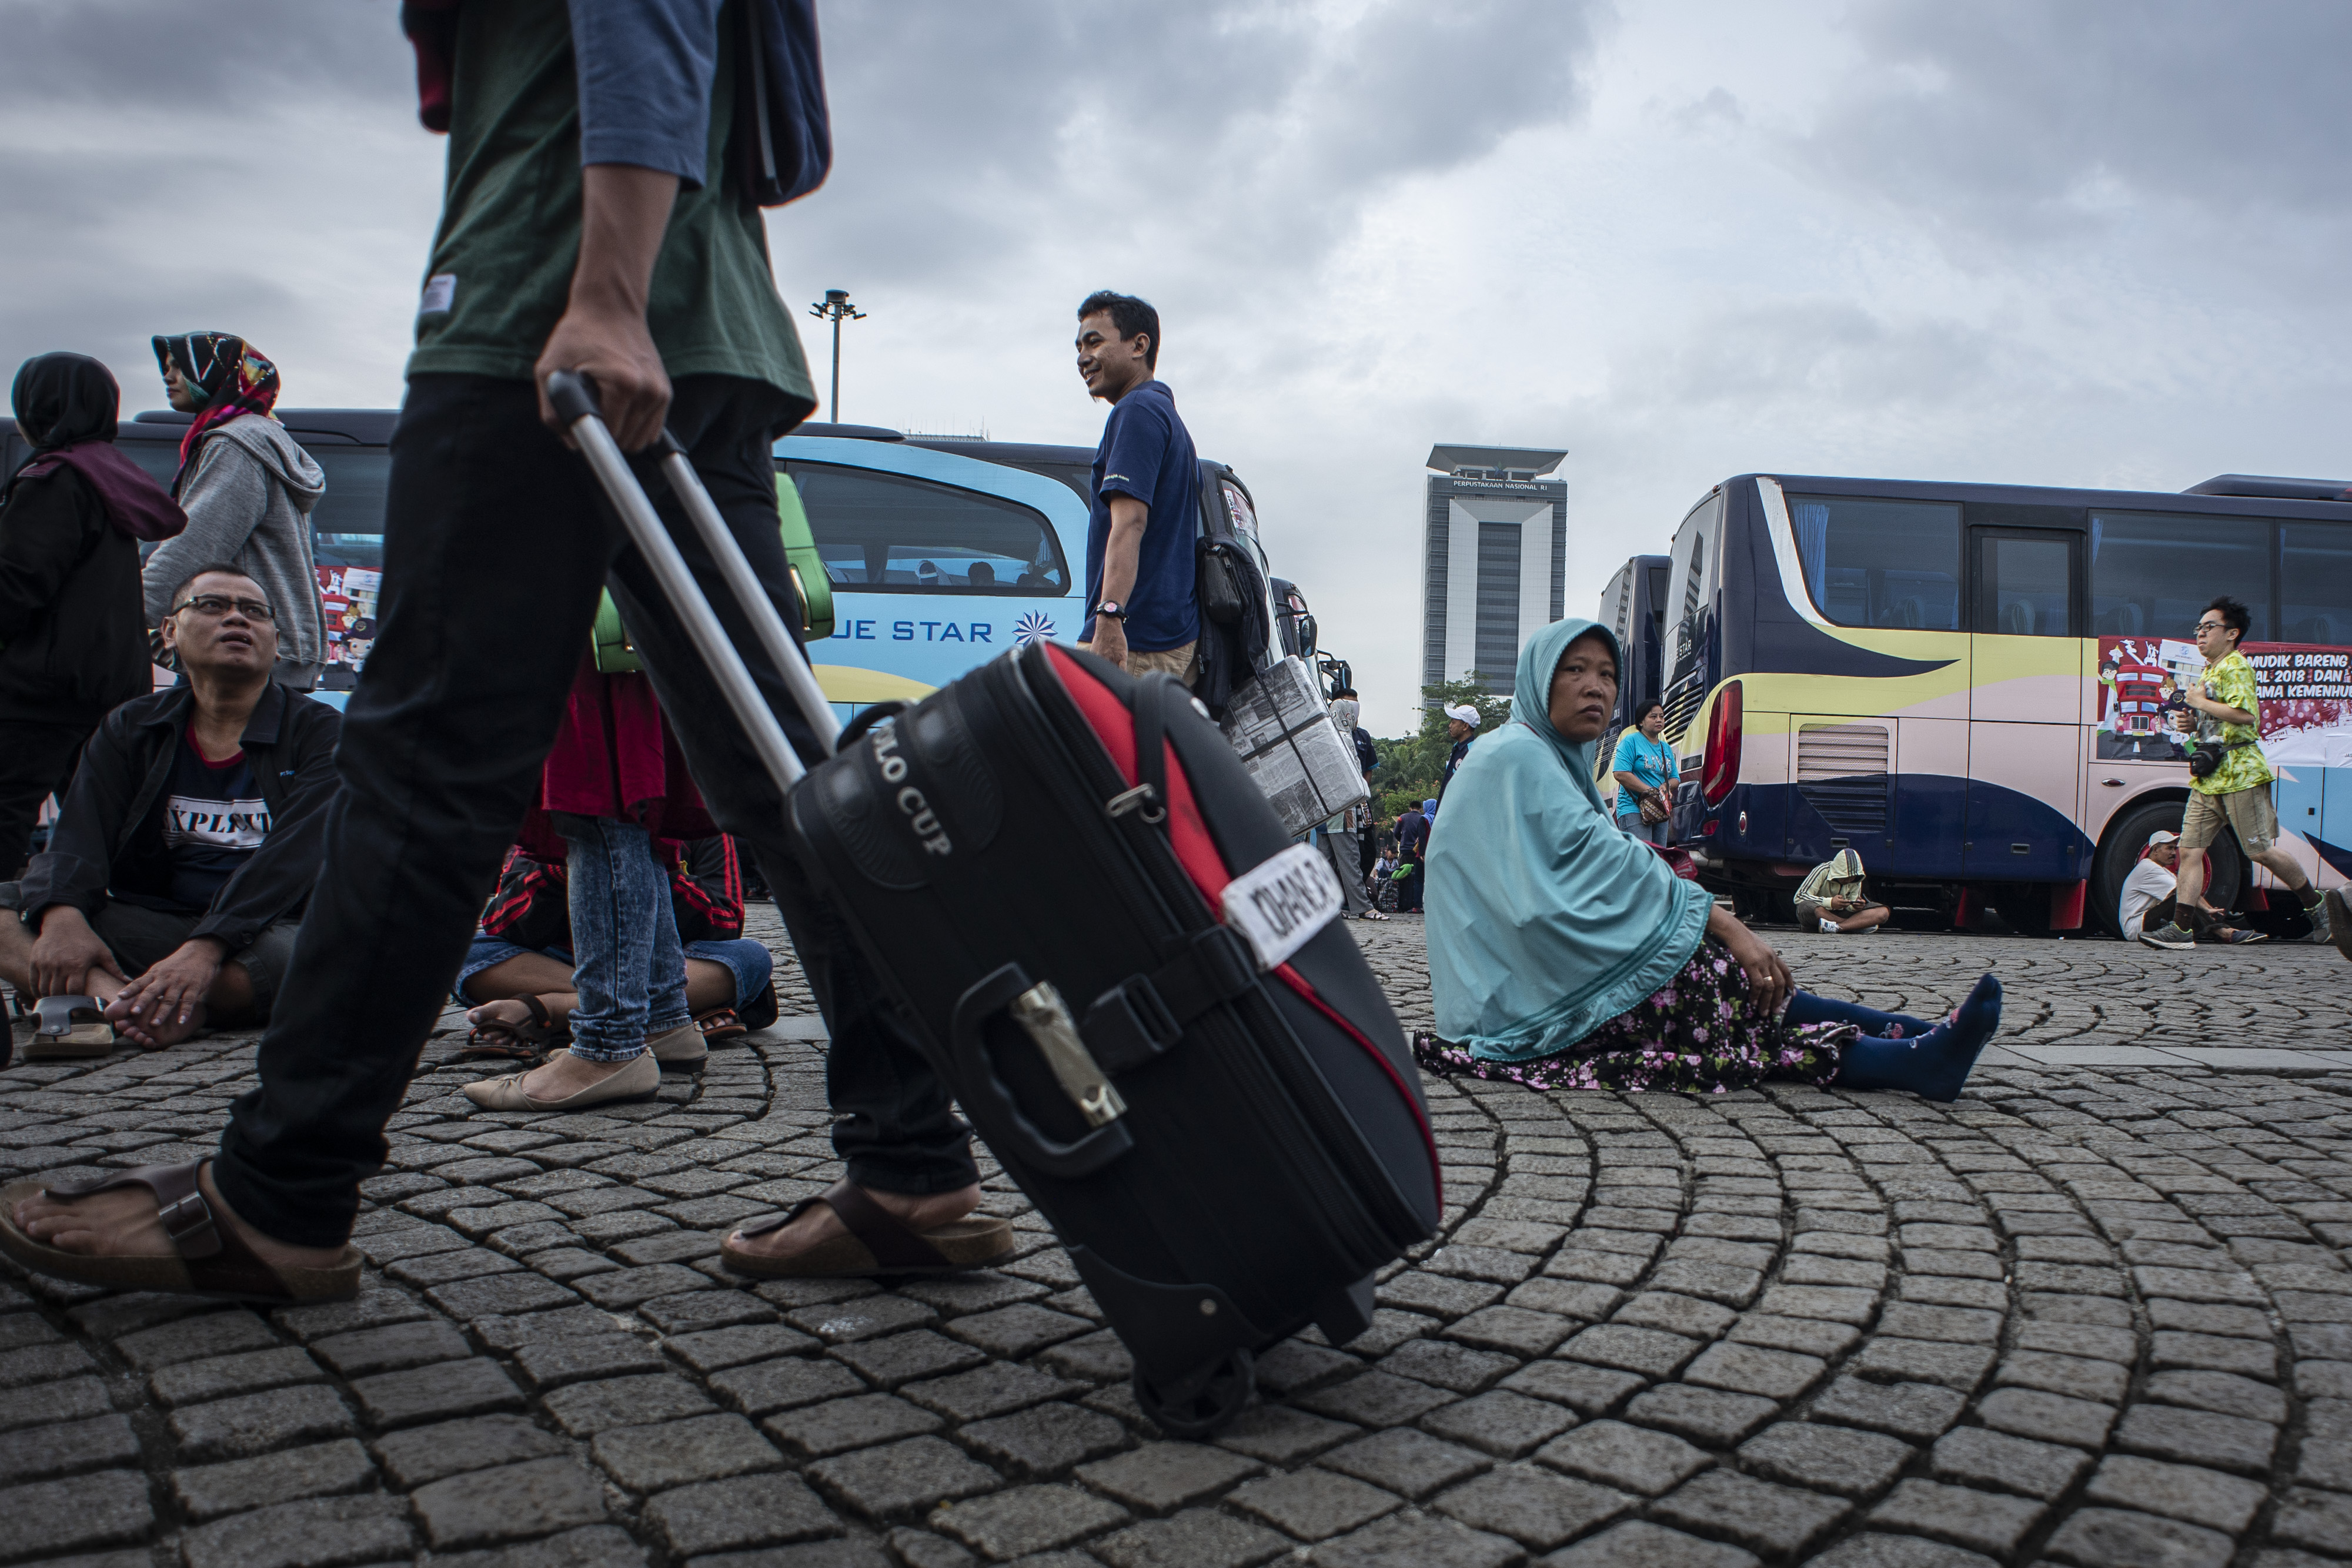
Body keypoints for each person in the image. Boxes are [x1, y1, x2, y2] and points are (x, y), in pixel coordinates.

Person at [2, 3, 1012, 1300]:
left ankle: (279, 1192)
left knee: (423, 767)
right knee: (790, 784)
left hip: (549, 311)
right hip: (704, 318)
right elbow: (776, 139)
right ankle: (913, 1161)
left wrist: (602, 292)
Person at [1415, 617, 1999, 1100]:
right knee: (1706, 986)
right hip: (1528, 1013)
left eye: (1607, 674)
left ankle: (1926, 1038)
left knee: (1718, 979)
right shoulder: (1518, 755)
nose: (1595, 687)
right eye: (1574, 670)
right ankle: (1913, 1059)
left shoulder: (1542, 757)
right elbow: (1606, 859)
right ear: (1539, 680)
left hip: (1526, 987)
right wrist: (1726, 925)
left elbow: (1590, 872)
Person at [0, 567, 339, 1057]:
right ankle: (128, 1002)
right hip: (160, 920)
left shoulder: (322, 733)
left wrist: (206, 949)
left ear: (277, 644)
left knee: (307, 957)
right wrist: (62, 916)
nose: (236, 619)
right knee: (9, 909)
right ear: (169, 633)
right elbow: (78, 834)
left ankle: (100, 998)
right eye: (211, 605)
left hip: (276, 925)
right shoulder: (132, 726)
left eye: (254, 612)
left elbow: (294, 861)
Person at [0, 353, 185, 877]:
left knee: (8, 811)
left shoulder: (52, 477)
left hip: (41, 686)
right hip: (110, 684)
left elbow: (16, 583)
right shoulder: (111, 477)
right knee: (108, 821)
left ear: (38, 405)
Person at [459, 833, 777, 1059]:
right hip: (558, 963)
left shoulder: (698, 823)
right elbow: (501, 923)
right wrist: (559, 872)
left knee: (750, 957)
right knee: (463, 954)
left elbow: (727, 922)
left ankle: (544, 1010)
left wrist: (646, 868)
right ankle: (674, 1012)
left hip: (661, 965)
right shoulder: (544, 819)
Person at [2141, 597, 2331, 951]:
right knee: (2190, 851)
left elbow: (2246, 717)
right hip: (2209, 776)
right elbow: (2213, 719)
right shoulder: (2210, 671)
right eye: (2198, 629)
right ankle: (2181, 930)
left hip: (2240, 772)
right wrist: (2191, 721)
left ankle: (2316, 905)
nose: (2200, 635)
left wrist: (2198, 704)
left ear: (2232, 634)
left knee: (2259, 851)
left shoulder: (2236, 666)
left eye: (2208, 628)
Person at [141, 335, 328, 691]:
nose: (167, 376)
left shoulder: (235, 445)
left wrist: (114, 610)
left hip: (243, 656)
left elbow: (194, 547)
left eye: (180, 366)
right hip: (262, 647)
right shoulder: (260, 438)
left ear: (221, 373)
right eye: (166, 368)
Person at [1073, 291, 1200, 684]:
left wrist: (1109, 618)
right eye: (1078, 346)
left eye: (1094, 341)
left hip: (1134, 638)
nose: (1081, 357)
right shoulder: (1163, 414)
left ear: (1138, 345)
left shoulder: (1137, 411)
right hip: (1154, 637)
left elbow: (1129, 523)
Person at [2119, 830, 2263, 946]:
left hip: (2145, 921)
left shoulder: (2161, 870)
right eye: (2169, 848)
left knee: (2184, 902)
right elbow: (2183, 893)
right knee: (2182, 900)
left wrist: (2205, 908)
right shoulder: (2148, 868)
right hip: (2136, 927)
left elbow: (2186, 892)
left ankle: (2223, 931)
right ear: (2155, 849)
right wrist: (2207, 909)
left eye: (2175, 848)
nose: (2174, 853)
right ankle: (2224, 932)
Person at [1610, 698, 1675, 844]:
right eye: (1653, 717)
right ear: (1641, 722)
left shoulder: (1666, 749)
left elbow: (1675, 778)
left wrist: (1665, 787)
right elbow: (1620, 773)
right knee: (1641, 859)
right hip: (1634, 809)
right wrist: (1650, 791)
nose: (1659, 720)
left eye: (1662, 716)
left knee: (1658, 859)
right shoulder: (1630, 741)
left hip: (1660, 810)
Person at [1792, 848, 1891, 934]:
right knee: (1805, 906)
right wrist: (1830, 902)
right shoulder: (1823, 870)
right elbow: (1800, 896)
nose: (1849, 881)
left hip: (1841, 913)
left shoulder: (1857, 879)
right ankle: (1853, 926)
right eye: (1845, 878)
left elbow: (1852, 902)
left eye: (1852, 878)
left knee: (1883, 912)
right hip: (1822, 912)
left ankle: (1837, 928)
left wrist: (1855, 906)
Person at [1392, 801, 1429, 913]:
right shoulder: (1423, 818)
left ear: (1410, 808)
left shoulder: (1402, 818)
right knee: (1416, 878)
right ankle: (1414, 903)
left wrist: (1402, 840)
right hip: (1418, 852)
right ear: (1421, 809)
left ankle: (1402, 903)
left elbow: (1396, 832)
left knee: (1403, 877)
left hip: (1404, 850)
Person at [1438, 703, 1480, 799]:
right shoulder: (1457, 748)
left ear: (1465, 726)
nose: (1450, 726)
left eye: (1453, 722)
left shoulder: (1472, 751)